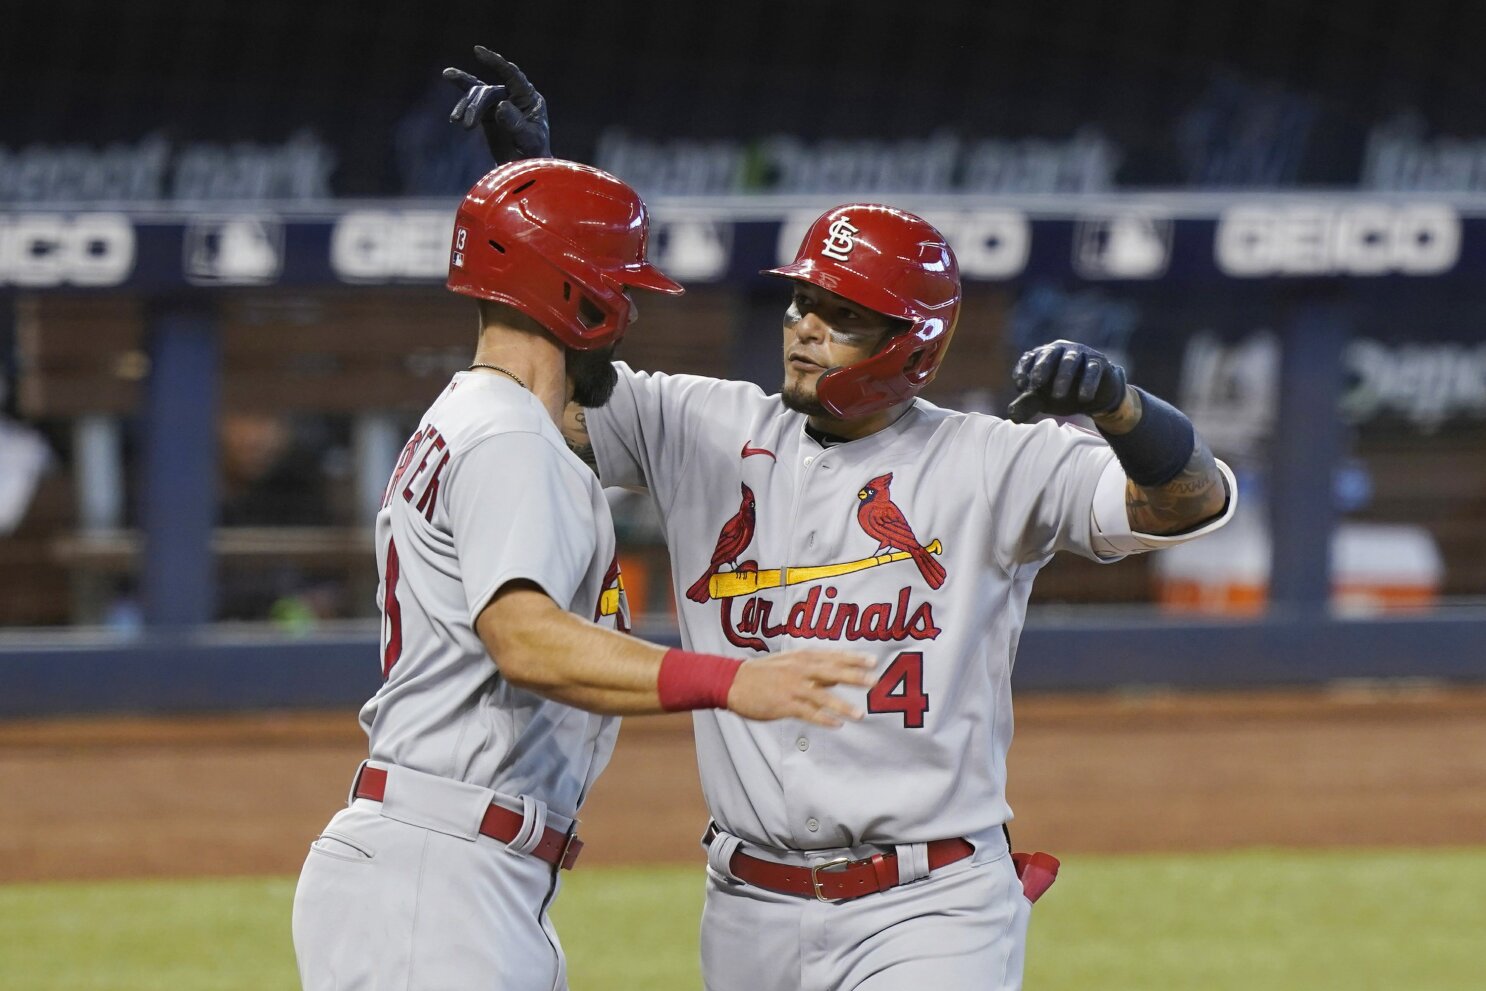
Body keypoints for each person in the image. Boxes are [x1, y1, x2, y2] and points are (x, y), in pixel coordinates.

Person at [447, 52, 1237, 991]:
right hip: (748, 906)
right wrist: (528, 202)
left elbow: (1191, 500)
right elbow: (534, 384)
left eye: (842, 313)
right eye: (802, 300)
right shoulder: (705, 424)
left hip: (930, 906)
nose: (804, 327)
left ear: (911, 342)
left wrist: (1124, 411)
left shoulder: (994, 460)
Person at [290, 157, 875, 991]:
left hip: (447, 870)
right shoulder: (513, 441)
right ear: (582, 300)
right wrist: (730, 679)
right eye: (617, 288)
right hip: (440, 881)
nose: (625, 312)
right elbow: (524, 639)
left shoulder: (475, 415)